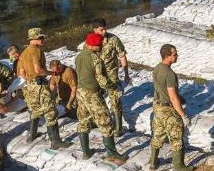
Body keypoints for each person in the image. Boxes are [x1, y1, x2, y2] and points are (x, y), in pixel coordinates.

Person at [75, 32, 126, 161]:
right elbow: (100, 79)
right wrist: (112, 86)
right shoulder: (95, 59)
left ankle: (86, 152)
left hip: (80, 92)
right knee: (106, 123)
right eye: (99, 46)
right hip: (92, 94)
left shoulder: (79, 56)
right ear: (93, 46)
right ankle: (111, 153)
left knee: (84, 121)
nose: (101, 48)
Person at [16, 28, 68, 149]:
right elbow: (38, 70)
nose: (43, 39)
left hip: (29, 86)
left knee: (35, 110)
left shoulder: (23, 53)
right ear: (34, 39)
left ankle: (32, 135)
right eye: (41, 38)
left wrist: (29, 81)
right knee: (50, 111)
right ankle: (55, 141)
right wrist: (51, 73)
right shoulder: (36, 51)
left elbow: (21, 73)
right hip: (39, 85)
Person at [149, 44, 193, 171]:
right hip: (168, 111)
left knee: (158, 135)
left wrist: (180, 97)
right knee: (176, 137)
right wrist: (183, 116)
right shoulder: (170, 74)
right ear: (167, 56)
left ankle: (153, 163)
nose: (177, 56)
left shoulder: (157, 68)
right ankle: (179, 167)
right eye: (175, 54)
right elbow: (173, 98)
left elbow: (160, 88)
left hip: (157, 107)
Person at [91, 18, 131, 137]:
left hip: (111, 76)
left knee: (115, 100)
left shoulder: (113, 39)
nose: (104, 32)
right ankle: (100, 121)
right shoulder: (91, 40)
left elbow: (122, 56)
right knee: (97, 99)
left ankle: (118, 128)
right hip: (96, 75)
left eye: (105, 29)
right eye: (101, 30)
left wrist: (126, 73)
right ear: (94, 30)